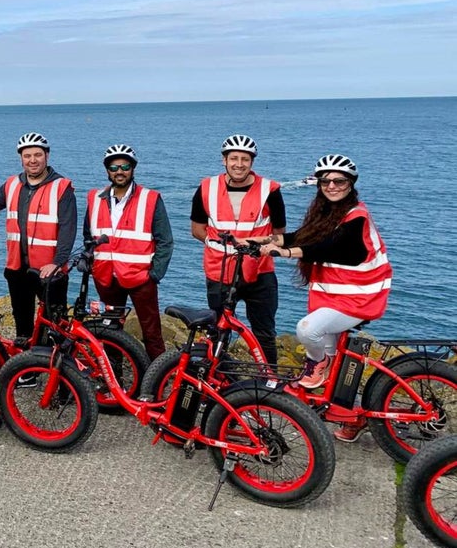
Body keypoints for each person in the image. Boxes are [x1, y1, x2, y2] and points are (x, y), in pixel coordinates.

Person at [260, 154, 391, 442]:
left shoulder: (356, 216)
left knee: (308, 330)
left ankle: (315, 367)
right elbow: (303, 235)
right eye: (326, 181)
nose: (332, 185)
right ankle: (348, 414)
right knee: (335, 363)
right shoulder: (327, 213)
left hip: (360, 298)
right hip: (336, 297)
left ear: (351, 183)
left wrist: (286, 253)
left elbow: (333, 247)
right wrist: (266, 241)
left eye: (339, 180)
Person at [190, 134, 286, 365]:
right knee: (218, 330)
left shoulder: (269, 190)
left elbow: (280, 235)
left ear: (252, 162)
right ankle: (219, 378)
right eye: (234, 158)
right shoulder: (206, 188)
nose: (239, 164)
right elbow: (197, 229)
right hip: (219, 271)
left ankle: (268, 381)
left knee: (264, 332)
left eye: (245, 159)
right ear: (224, 160)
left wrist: (252, 244)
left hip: (260, 271)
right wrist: (221, 247)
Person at [0, 132, 76, 345]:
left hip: (49, 271)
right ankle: (27, 374)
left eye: (37, 155)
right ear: (21, 158)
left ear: (47, 156)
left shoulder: (61, 187)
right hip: (18, 269)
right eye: (27, 156)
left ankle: (61, 374)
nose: (32, 160)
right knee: (22, 324)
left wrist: (57, 262)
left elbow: (67, 229)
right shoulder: (12, 185)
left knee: (56, 325)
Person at [82, 145, 173, 361]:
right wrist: (94, 266)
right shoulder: (95, 198)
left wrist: (154, 275)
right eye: (114, 167)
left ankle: (156, 380)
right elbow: (89, 236)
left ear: (132, 168)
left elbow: (165, 240)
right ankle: (116, 380)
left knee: (152, 333)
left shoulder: (150, 198)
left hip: (141, 278)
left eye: (125, 166)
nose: (119, 171)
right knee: (111, 330)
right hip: (106, 277)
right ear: (107, 170)